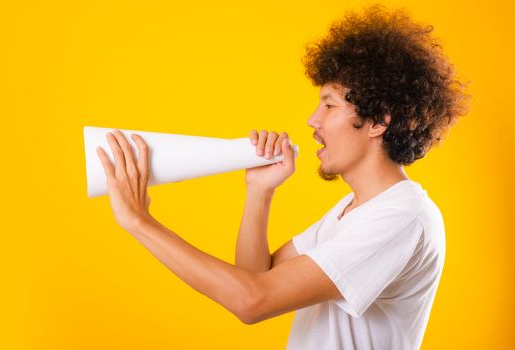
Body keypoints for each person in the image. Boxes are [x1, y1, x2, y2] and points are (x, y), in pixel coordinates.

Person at [95, 4, 469, 349]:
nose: (313, 120)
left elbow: (252, 301)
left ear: (378, 122)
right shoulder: (352, 211)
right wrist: (259, 191)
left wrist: (139, 221)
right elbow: (254, 276)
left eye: (329, 104)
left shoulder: (402, 217)